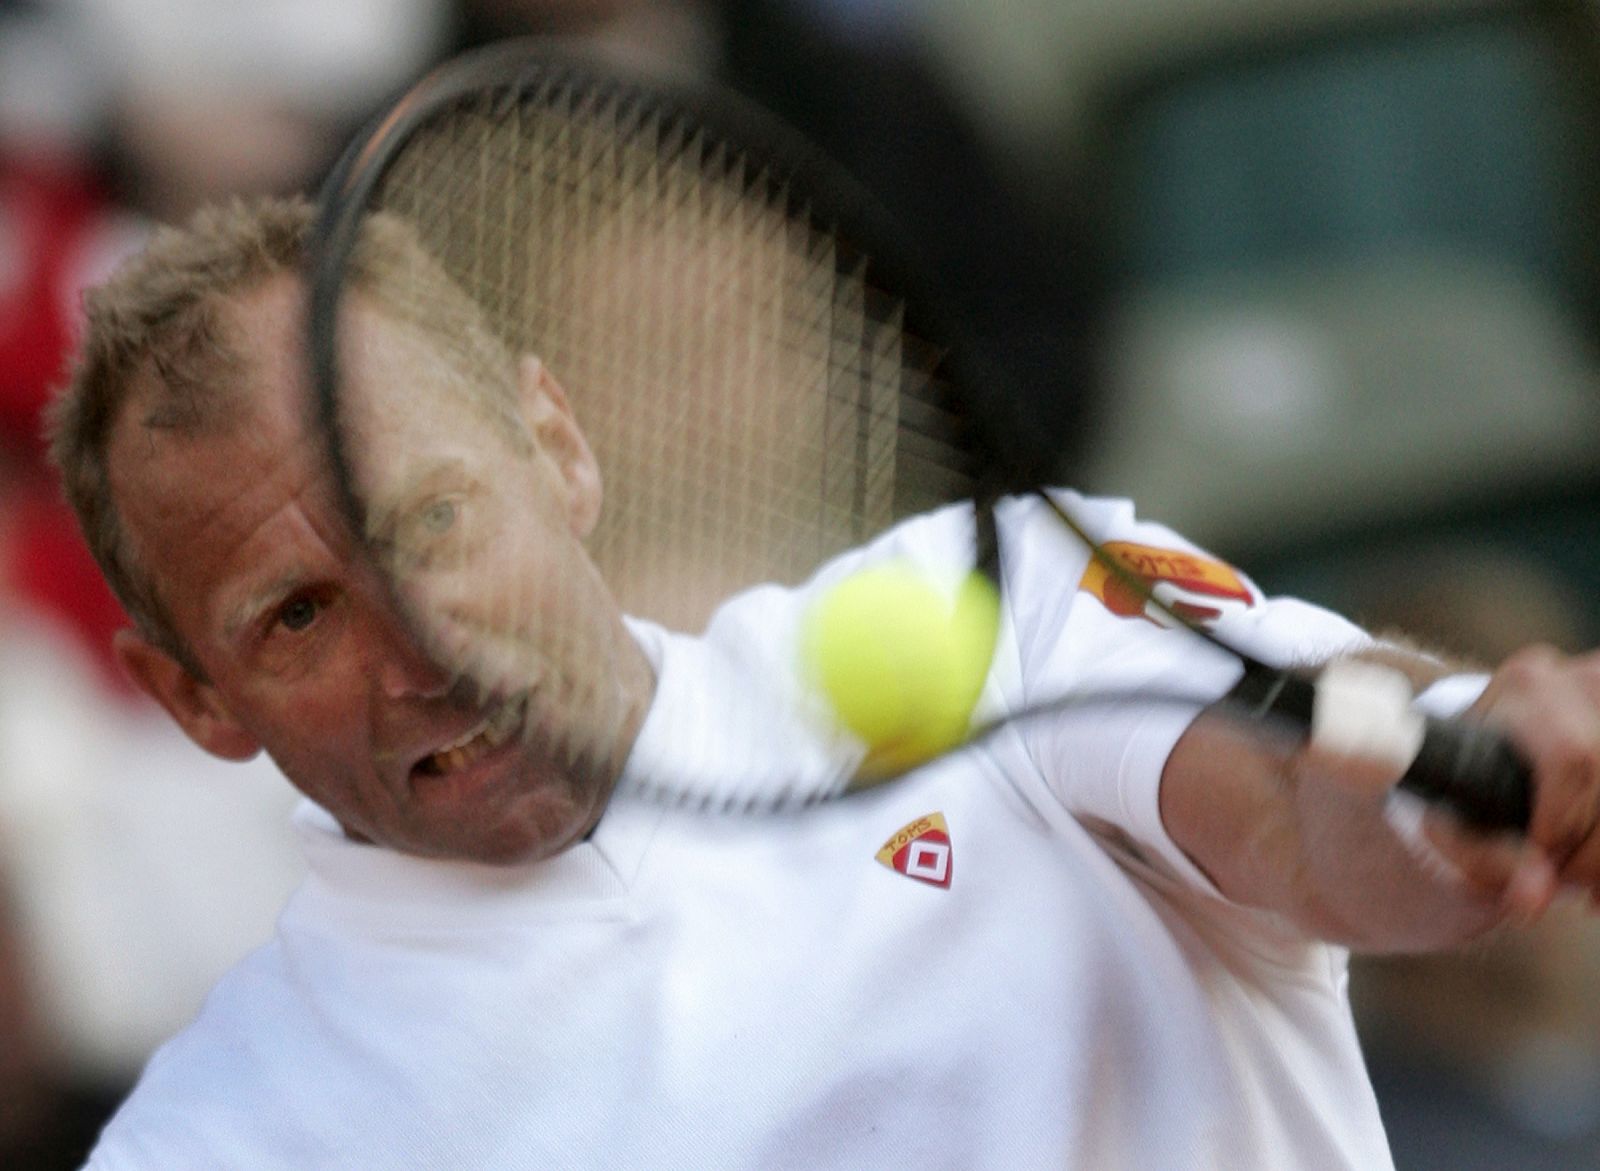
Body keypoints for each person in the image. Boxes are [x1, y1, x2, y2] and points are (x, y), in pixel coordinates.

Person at [49, 195, 1600, 1169]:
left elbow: (1311, 806)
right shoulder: (223, 1145)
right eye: (300, 617)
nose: (428, 649)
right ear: (192, 699)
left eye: (433, 522)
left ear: (558, 447)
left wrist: (1460, 779)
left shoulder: (997, 614)